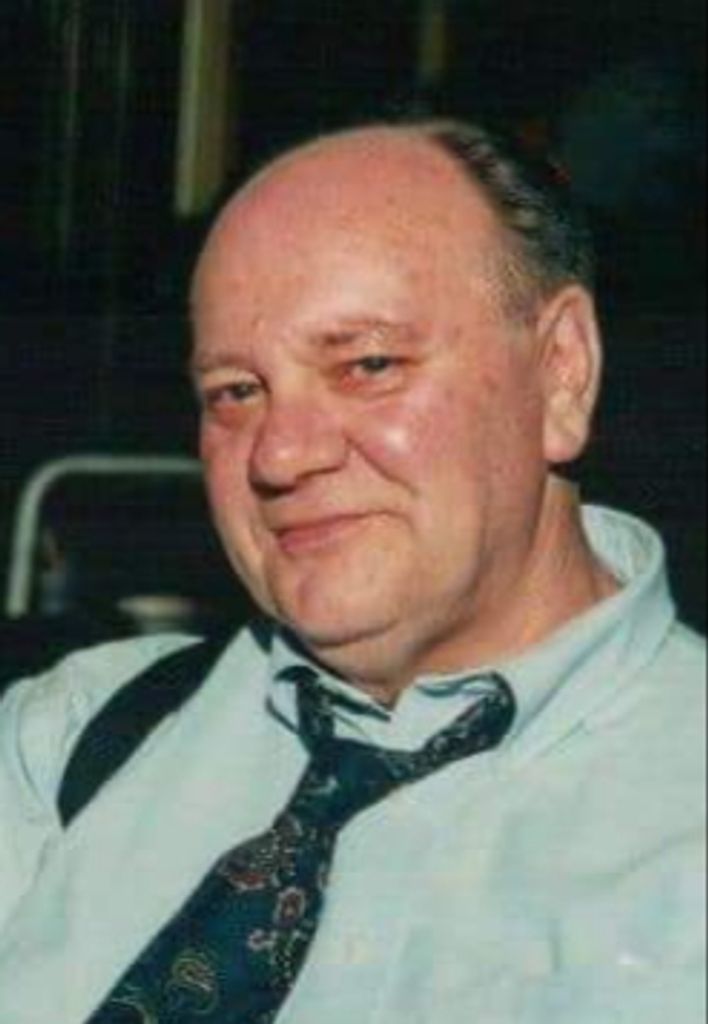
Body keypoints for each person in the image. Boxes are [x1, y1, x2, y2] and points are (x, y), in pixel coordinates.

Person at [0, 120, 704, 1023]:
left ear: (562, 371)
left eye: (369, 365)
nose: (280, 455)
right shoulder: (74, 743)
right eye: (235, 393)